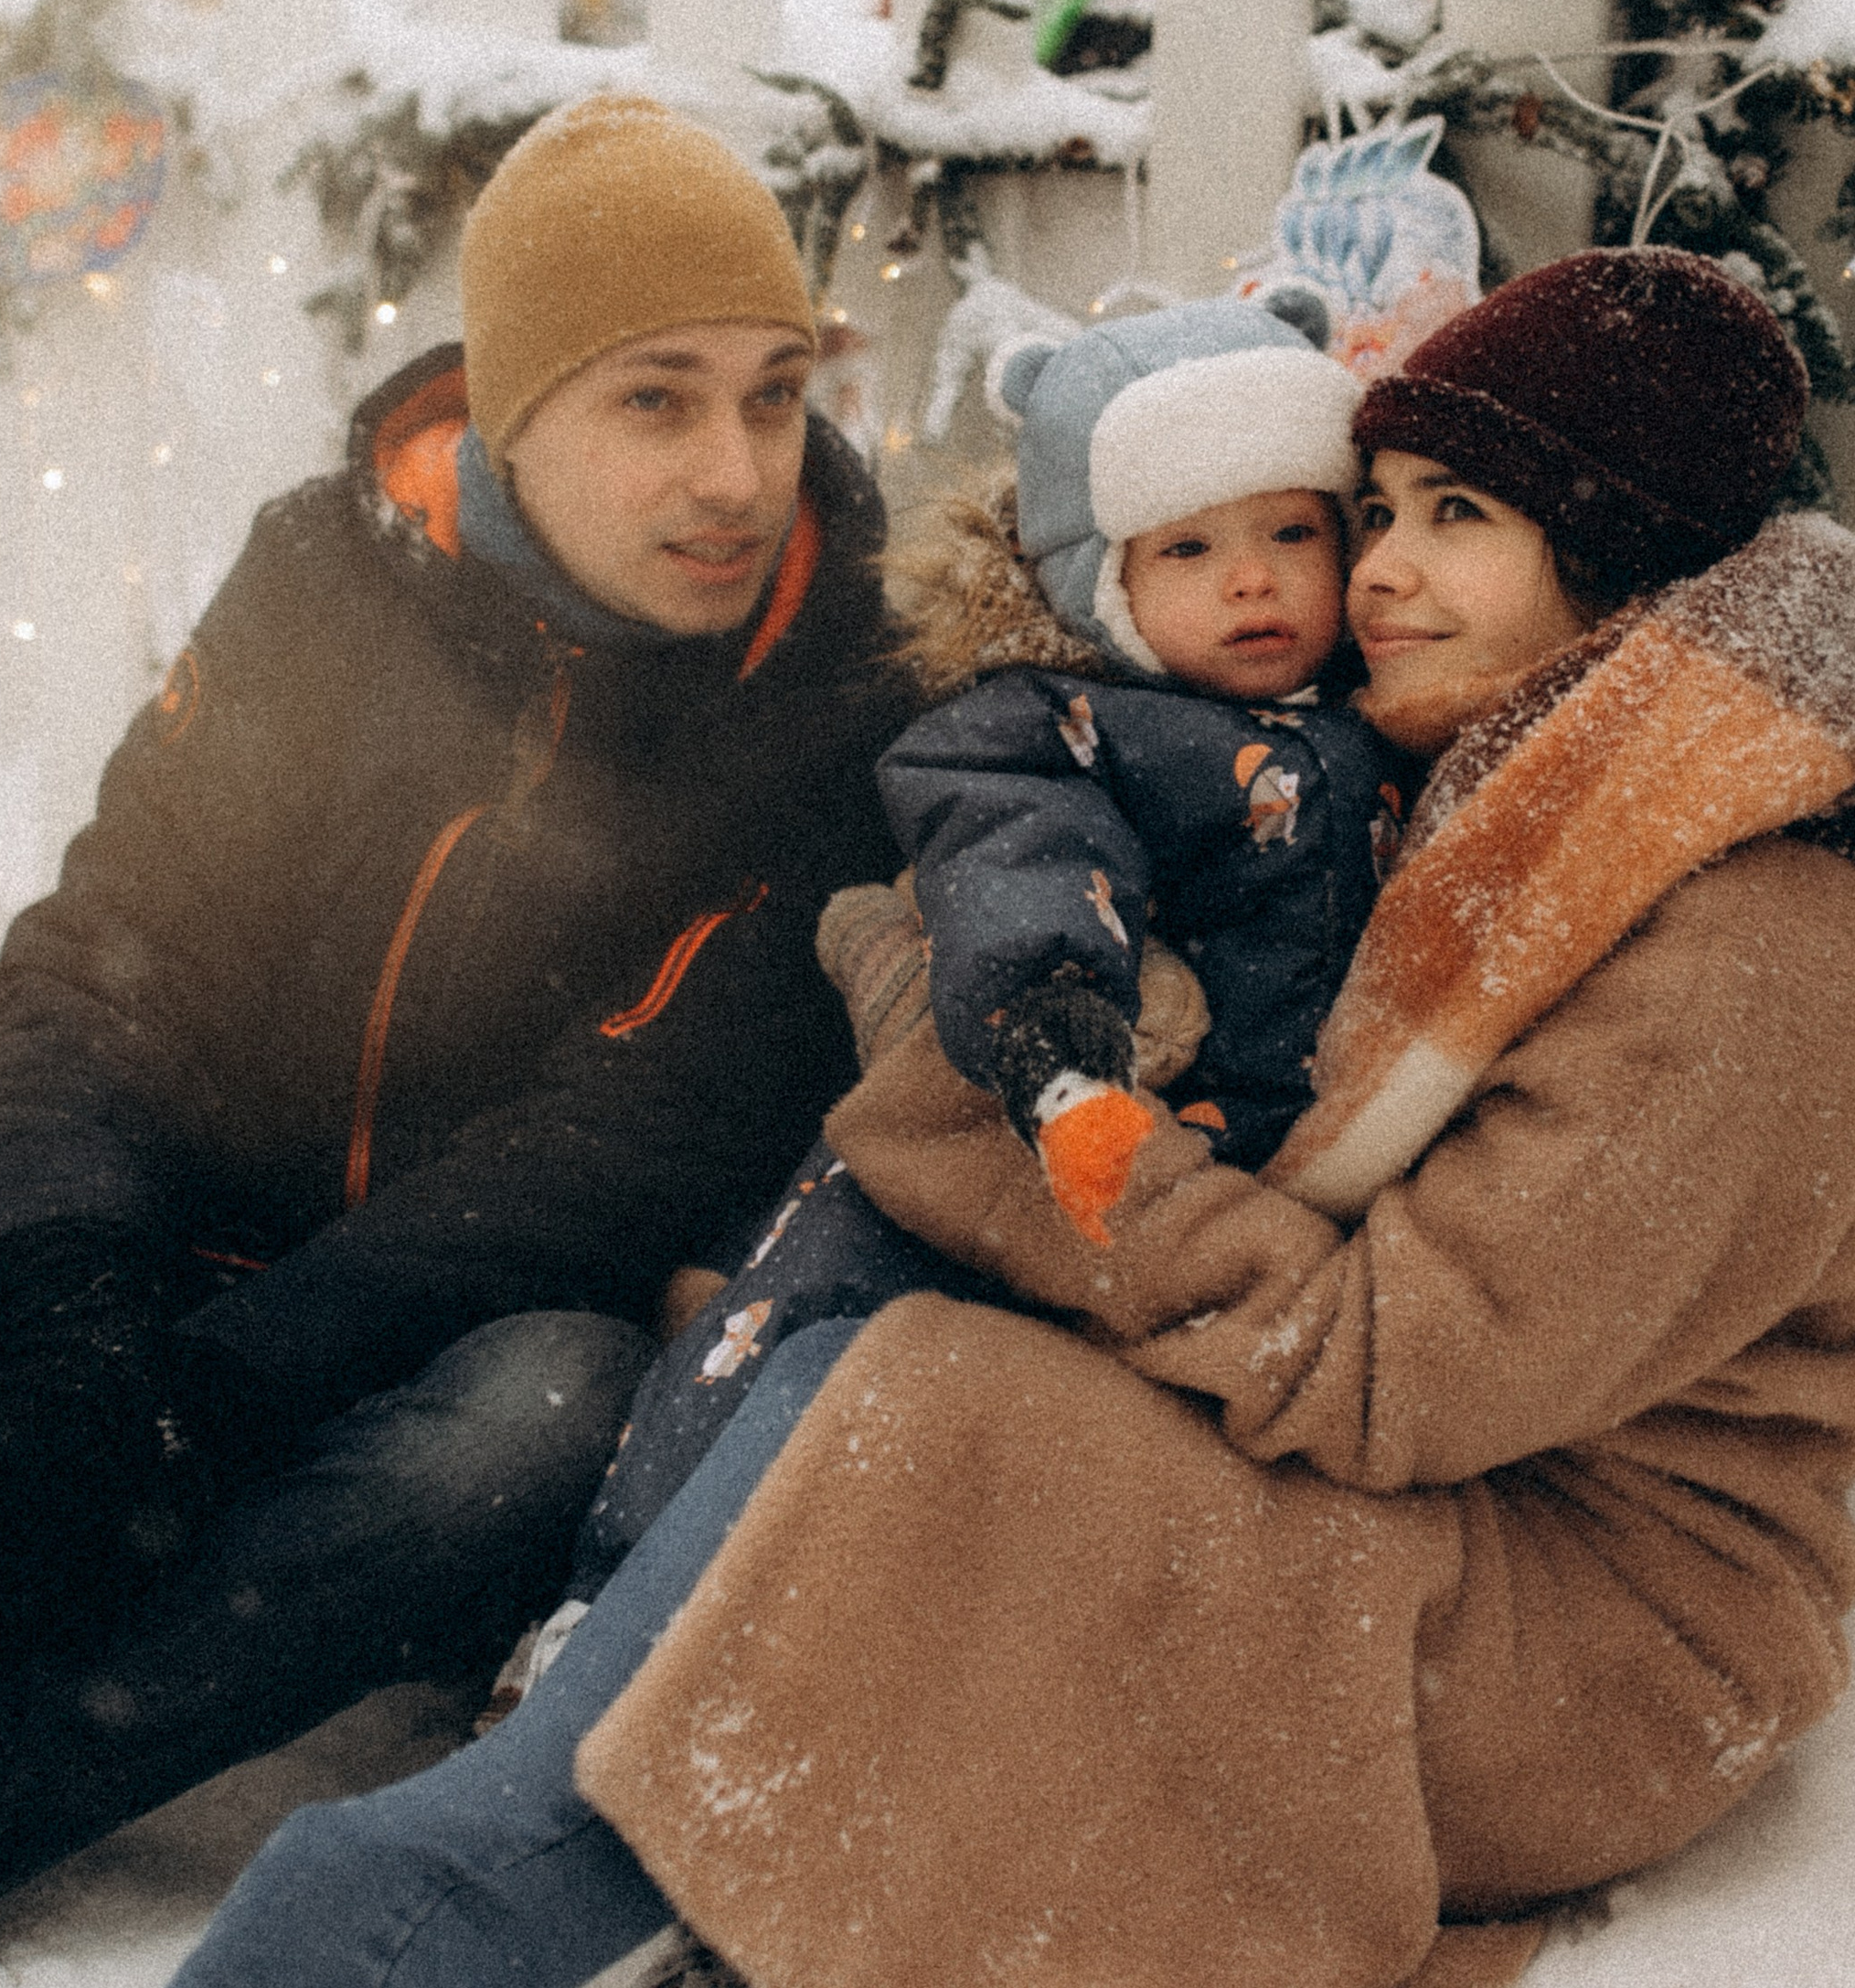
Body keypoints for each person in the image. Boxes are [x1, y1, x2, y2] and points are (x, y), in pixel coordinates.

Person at [0, 249, 1855, 1988]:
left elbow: (1392, 1368)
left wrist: (993, 1097)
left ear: (1623, 558)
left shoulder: (1749, 930)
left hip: (1602, 1636)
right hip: (1422, 1512)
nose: (1371, 574)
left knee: (921, 1424)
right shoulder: (1486, 788)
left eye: (1457, 517)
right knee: (848, 1388)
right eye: (1383, 506)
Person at [0, 96, 916, 1937]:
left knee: (547, 1401)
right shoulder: (324, 579)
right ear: (517, 414)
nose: (740, 471)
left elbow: (623, 1144)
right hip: (152, 1294)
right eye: (656, 397)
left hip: (416, 1396)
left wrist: (203, 1402)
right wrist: (68, 1310)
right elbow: (116, 949)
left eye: (771, 390)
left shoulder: (840, 708)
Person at [560, 293, 1390, 1561]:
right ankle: (618, 1587)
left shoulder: (1385, 724)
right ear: (1096, 579)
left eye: (1293, 530)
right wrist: (1059, 1043)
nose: (1252, 578)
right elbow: (1025, 864)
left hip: (1233, 1190)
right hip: (1042, 1116)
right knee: (806, 1322)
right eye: (1186, 550)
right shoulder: (1052, 725)